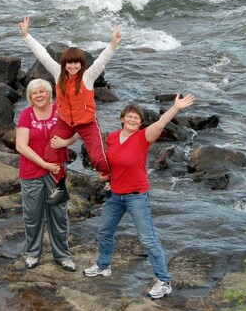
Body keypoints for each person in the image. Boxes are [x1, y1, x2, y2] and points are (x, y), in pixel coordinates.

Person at [83, 92, 196, 300]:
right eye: (130, 116)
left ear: (140, 122)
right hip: (116, 194)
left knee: (148, 239)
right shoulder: (113, 138)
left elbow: (161, 122)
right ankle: (103, 266)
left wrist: (175, 108)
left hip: (136, 196)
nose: (133, 119)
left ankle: (164, 281)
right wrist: (104, 174)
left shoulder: (144, 137)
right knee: (104, 232)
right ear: (122, 118)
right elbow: (110, 162)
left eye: (137, 117)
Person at [19, 16, 121, 204]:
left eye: (76, 63)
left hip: (87, 122)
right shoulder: (58, 74)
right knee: (51, 153)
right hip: (65, 121)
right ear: (64, 64)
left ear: (81, 64)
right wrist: (26, 35)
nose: (72, 66)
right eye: (69, 63)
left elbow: (102, 60)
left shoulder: (88, 77)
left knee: (98, 158)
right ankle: (60, 186)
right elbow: (42, 55)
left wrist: (113, 44)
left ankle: (109, 181)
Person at [15, 78, 78, 272]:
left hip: (57, 174)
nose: (39, 95)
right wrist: (44, 164)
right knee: (32, 215)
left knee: (58, 214)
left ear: (49, 93)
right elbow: (20, 145)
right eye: (34, 93)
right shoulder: (26, 115)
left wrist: (65, 143)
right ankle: (33, 253)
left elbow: (76, 132)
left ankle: (62, 255)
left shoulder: (61, 110)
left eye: (42, 91)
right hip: (31, 174)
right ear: (30, 97)